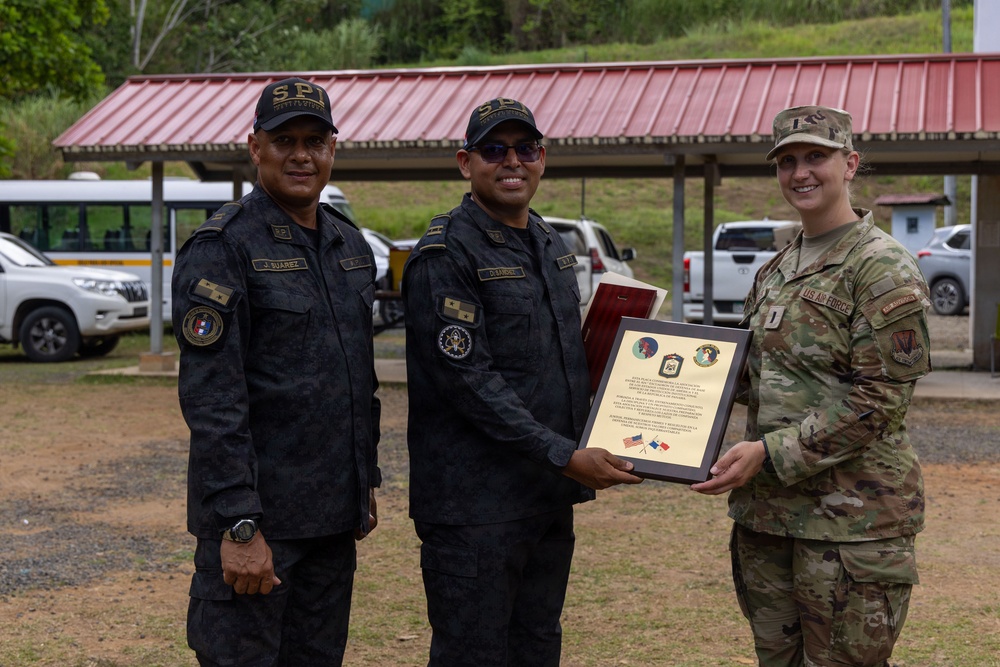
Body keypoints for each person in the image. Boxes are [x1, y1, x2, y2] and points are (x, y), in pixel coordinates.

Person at [402, 97, 644, 667]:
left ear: (542, 158)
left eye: (525, 148)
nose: (512, 161)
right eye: (494, 149)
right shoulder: (446, 254)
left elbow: (565, 358)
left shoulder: (546, 242)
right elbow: (469, 383)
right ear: (466, 162)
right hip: (475, 509)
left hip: (542, 497)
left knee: (536, 646)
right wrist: (564, 454)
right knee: (474, 654)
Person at [693, 105, 931, 666]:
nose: (800, 172)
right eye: (787, 161)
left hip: (852, 523)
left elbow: (880, 400)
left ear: (849, 164)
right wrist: (666, 380)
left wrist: (769, 452)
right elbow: (760, 376)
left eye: (815, 157)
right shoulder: (776, 270)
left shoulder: (881, 267)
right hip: (769, 519)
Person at [172, 77, 381, 666]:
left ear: (333, 149)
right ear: (254, 147)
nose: (300, 154)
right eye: (283, 138)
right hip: (258, 527)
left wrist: (363, 482)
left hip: (330, 524)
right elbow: (213, 401)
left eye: (314, 140)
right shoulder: (223, 247)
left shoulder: (349, 245)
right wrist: (238, 524)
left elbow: (356, 381)